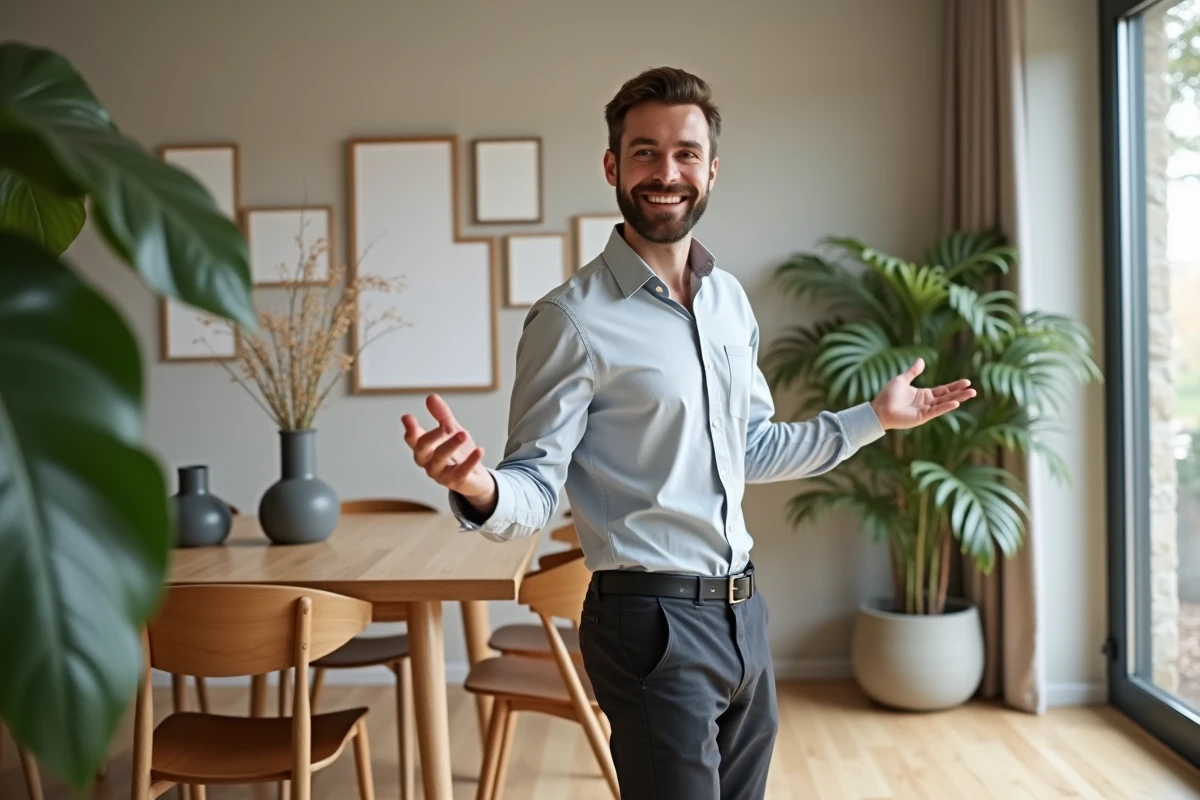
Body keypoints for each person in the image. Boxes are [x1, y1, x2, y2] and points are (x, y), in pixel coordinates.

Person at [401, 66, 975, 800]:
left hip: (744, 611)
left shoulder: (729, 302)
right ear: (612, 166)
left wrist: (874, 419)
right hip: (648, 622)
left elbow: (751, 448)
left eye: (685, 154)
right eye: (644, 152)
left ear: (711, 171)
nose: (666, 173)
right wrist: (477, 486)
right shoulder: (571, 319)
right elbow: (537, 486)